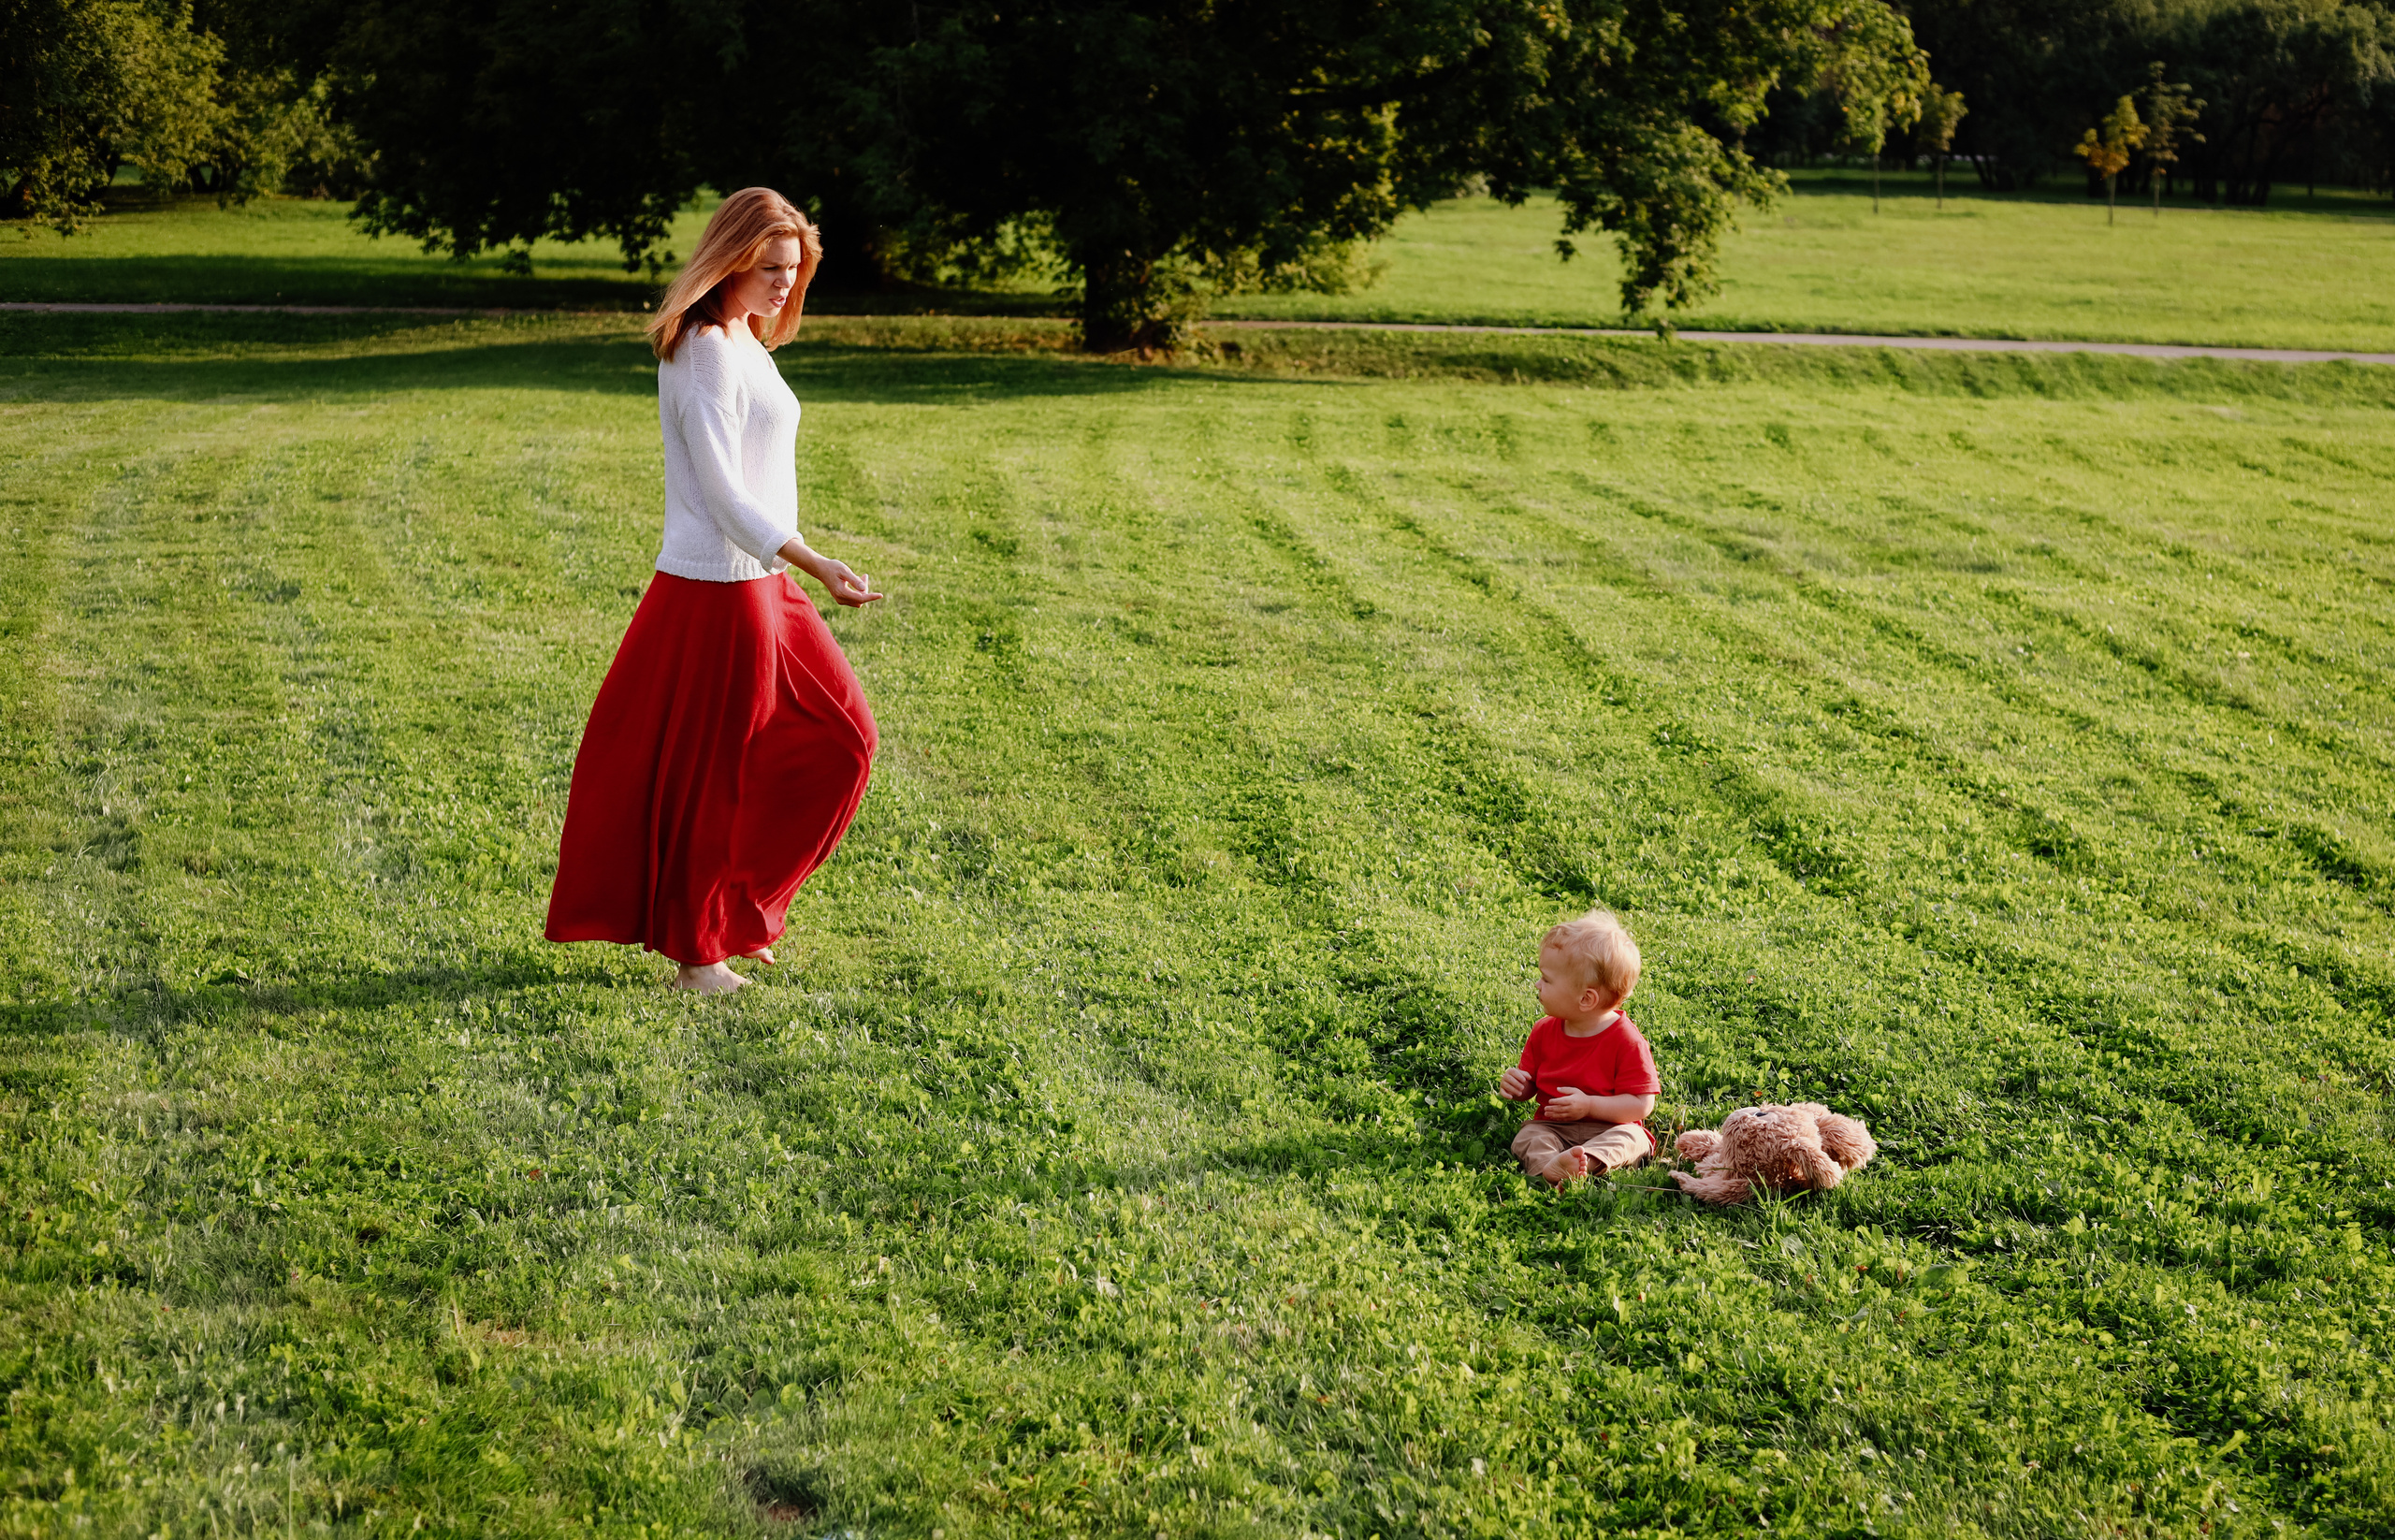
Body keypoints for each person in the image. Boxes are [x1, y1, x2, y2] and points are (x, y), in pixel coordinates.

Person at [544, 188, 881, 994]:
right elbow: (726, 495)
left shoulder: (745, 341)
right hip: (718, 586)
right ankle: (699, 954)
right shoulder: (701, 351)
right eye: (769, 268)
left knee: (844, 742)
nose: (781, 284)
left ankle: (742, 908)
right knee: (715, 774)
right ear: (730, 258)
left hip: (763, 581)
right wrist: (816, 560)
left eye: (793, 270)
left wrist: (791, 562)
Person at [1499, 908, 1660, 1184]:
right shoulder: (1543, 1031)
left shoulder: (1627, 1040)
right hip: (1554, 1127)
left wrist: (1588, 1106)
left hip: (1612, 1127)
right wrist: (1519, 1087)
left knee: (1632, 1140)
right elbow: (1531, 1086)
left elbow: (1641, 1105)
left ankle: (1587, 1159)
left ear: (1586, 999)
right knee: (1529, 1136)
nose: (1538, 984)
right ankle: (1551, 1167)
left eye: (1547, 980)